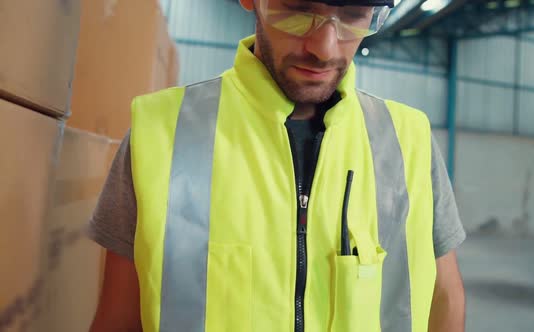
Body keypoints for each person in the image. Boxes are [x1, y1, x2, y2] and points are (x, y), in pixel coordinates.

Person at [88, 0, 466, 331]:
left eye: (354, 15)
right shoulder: (162, 135)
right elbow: (119, 322)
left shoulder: (408, 141)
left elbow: (444, 302)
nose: (324, 47)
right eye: (300, 11)